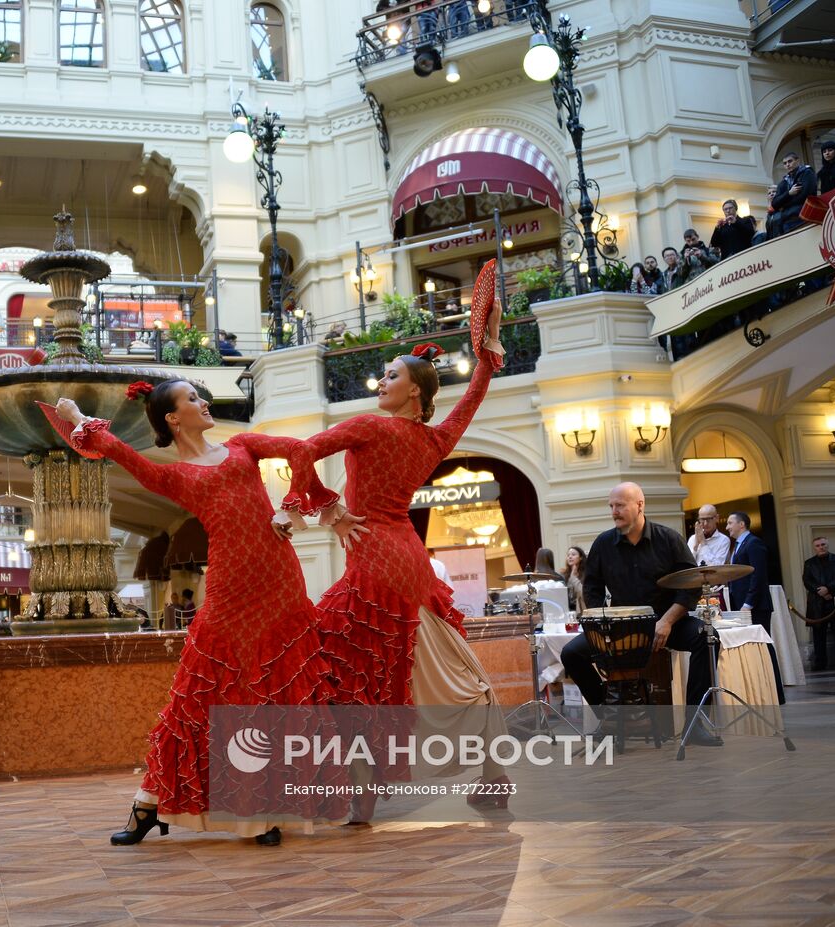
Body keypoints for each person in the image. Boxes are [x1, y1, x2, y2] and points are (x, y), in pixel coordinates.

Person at [50, 382, 351, 846]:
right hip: (231, 589)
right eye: (193, 399)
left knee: (280, 690)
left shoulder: (243, 445)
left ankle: (267, 809)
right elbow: (117, 451)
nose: (204, 403)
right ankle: (147, 805)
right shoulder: (172, 476)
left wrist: (294, 506)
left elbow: (299, 450)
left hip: (280, 580)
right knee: (199, 695)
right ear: (172, 418)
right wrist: (73, 416)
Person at [283, 259, 511, 814]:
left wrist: (330, 509)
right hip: (409, 554)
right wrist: (488, 348)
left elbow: (300, 452)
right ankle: (491, 772)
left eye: (391, 375)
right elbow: (473, 396)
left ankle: (363, 792)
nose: (381, 381)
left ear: (414, 392)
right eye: (383, 374)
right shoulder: (433, 440)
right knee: (432, 659)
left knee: (338, 663)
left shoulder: (369, 427)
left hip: (375, 558)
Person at [561, 482, 723, 744]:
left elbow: (692, 586)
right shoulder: (603, 543)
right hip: (621, 627)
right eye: (611, 506)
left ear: (639, 505)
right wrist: (600, 624)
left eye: (620, 505)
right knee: (571, 654)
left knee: (708, 637)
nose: (614, 511)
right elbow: (592, 588)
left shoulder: (668, 539)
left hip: (667, 621)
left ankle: (695, 723)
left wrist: (668, 621)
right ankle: (611, 717)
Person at [726, 512, 784, 703]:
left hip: (756, 606)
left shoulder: (754, 543)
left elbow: (758, 576)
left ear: (741, 524)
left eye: (730, 523)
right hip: (743, 604)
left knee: (764, 645)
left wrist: (748, 603)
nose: (727, 527)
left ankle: (776, 690)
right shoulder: (739, 545)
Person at [803, 536, 835, 672]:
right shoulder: (809, 563)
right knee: (818, 635)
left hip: (834, 601)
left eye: (823, 544)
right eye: (818, 545)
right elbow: (807, 580)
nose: (821, 547)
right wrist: (820, 591)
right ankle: (820, 662)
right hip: (817, 603)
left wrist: (828, 589)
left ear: (827, 545)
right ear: (814, 547)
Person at [688, 503, 732, 608]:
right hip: (695, 589)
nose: (705, 523)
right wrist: (695, 545)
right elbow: (688, 565)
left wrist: (703, 544)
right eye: (702, 520)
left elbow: (716, 567)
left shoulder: (723, 540)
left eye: (709, 519)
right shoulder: (693, 538)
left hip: (715, 590)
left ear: (716, 518)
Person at [769, 152, 817, 235]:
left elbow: (806, 195)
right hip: (787, 221)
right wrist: (789, 193)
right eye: (785, 163)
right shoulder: (784, 181)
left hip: (804, 216)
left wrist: (784, 204)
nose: (787, 165)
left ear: (797, 161)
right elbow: (775, 203)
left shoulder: (807, 173)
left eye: (790, 161)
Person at [562, 546, 586, 616]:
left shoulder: (586, 574)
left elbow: (584, 594)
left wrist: (574, 578)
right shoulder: (564, 574)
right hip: (568, 612)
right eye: (568, 555)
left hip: (582, 613)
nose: (570, 557)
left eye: (573, 554)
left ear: (581, 557)